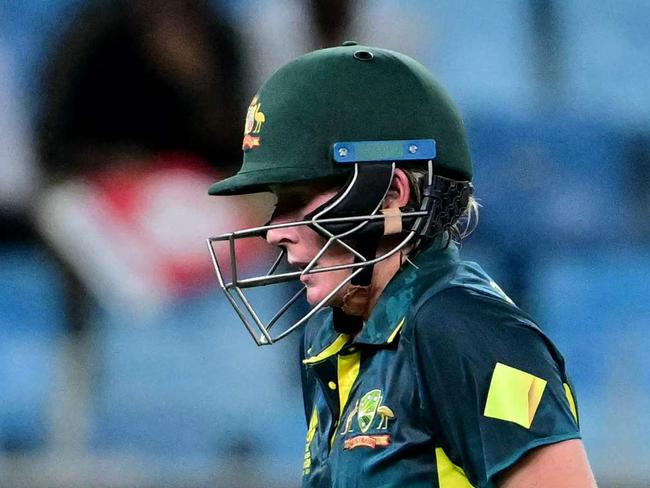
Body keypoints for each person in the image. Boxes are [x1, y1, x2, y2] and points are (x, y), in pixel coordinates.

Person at [207, 43, 596, 487]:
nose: (274, 231)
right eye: (278, 202)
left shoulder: (463, 330)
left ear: (392, 195)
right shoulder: (329, 335)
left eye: (299, 199)